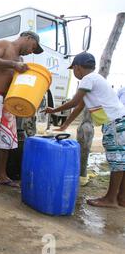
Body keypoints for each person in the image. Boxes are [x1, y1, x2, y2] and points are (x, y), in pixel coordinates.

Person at [44, 52, 125, 208]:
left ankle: (110, 199)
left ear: (77, 67)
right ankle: (121, 197)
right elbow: (80, 105)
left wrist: (54, 110)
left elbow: (74, 102)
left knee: (117, 160)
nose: (74, 73)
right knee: (122, 159)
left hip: (114, 123)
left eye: (73, 69)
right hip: (119, 121)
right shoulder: (96, 80)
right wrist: (65, 125)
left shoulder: (87, 79)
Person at [0, 31, 44, 187]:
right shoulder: (4, 44)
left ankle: (1, 175)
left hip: (8, 101)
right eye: (33, 47)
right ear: (28, 38)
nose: (32, 51)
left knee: (6, 138)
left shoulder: (20, 59)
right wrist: (13, 65)